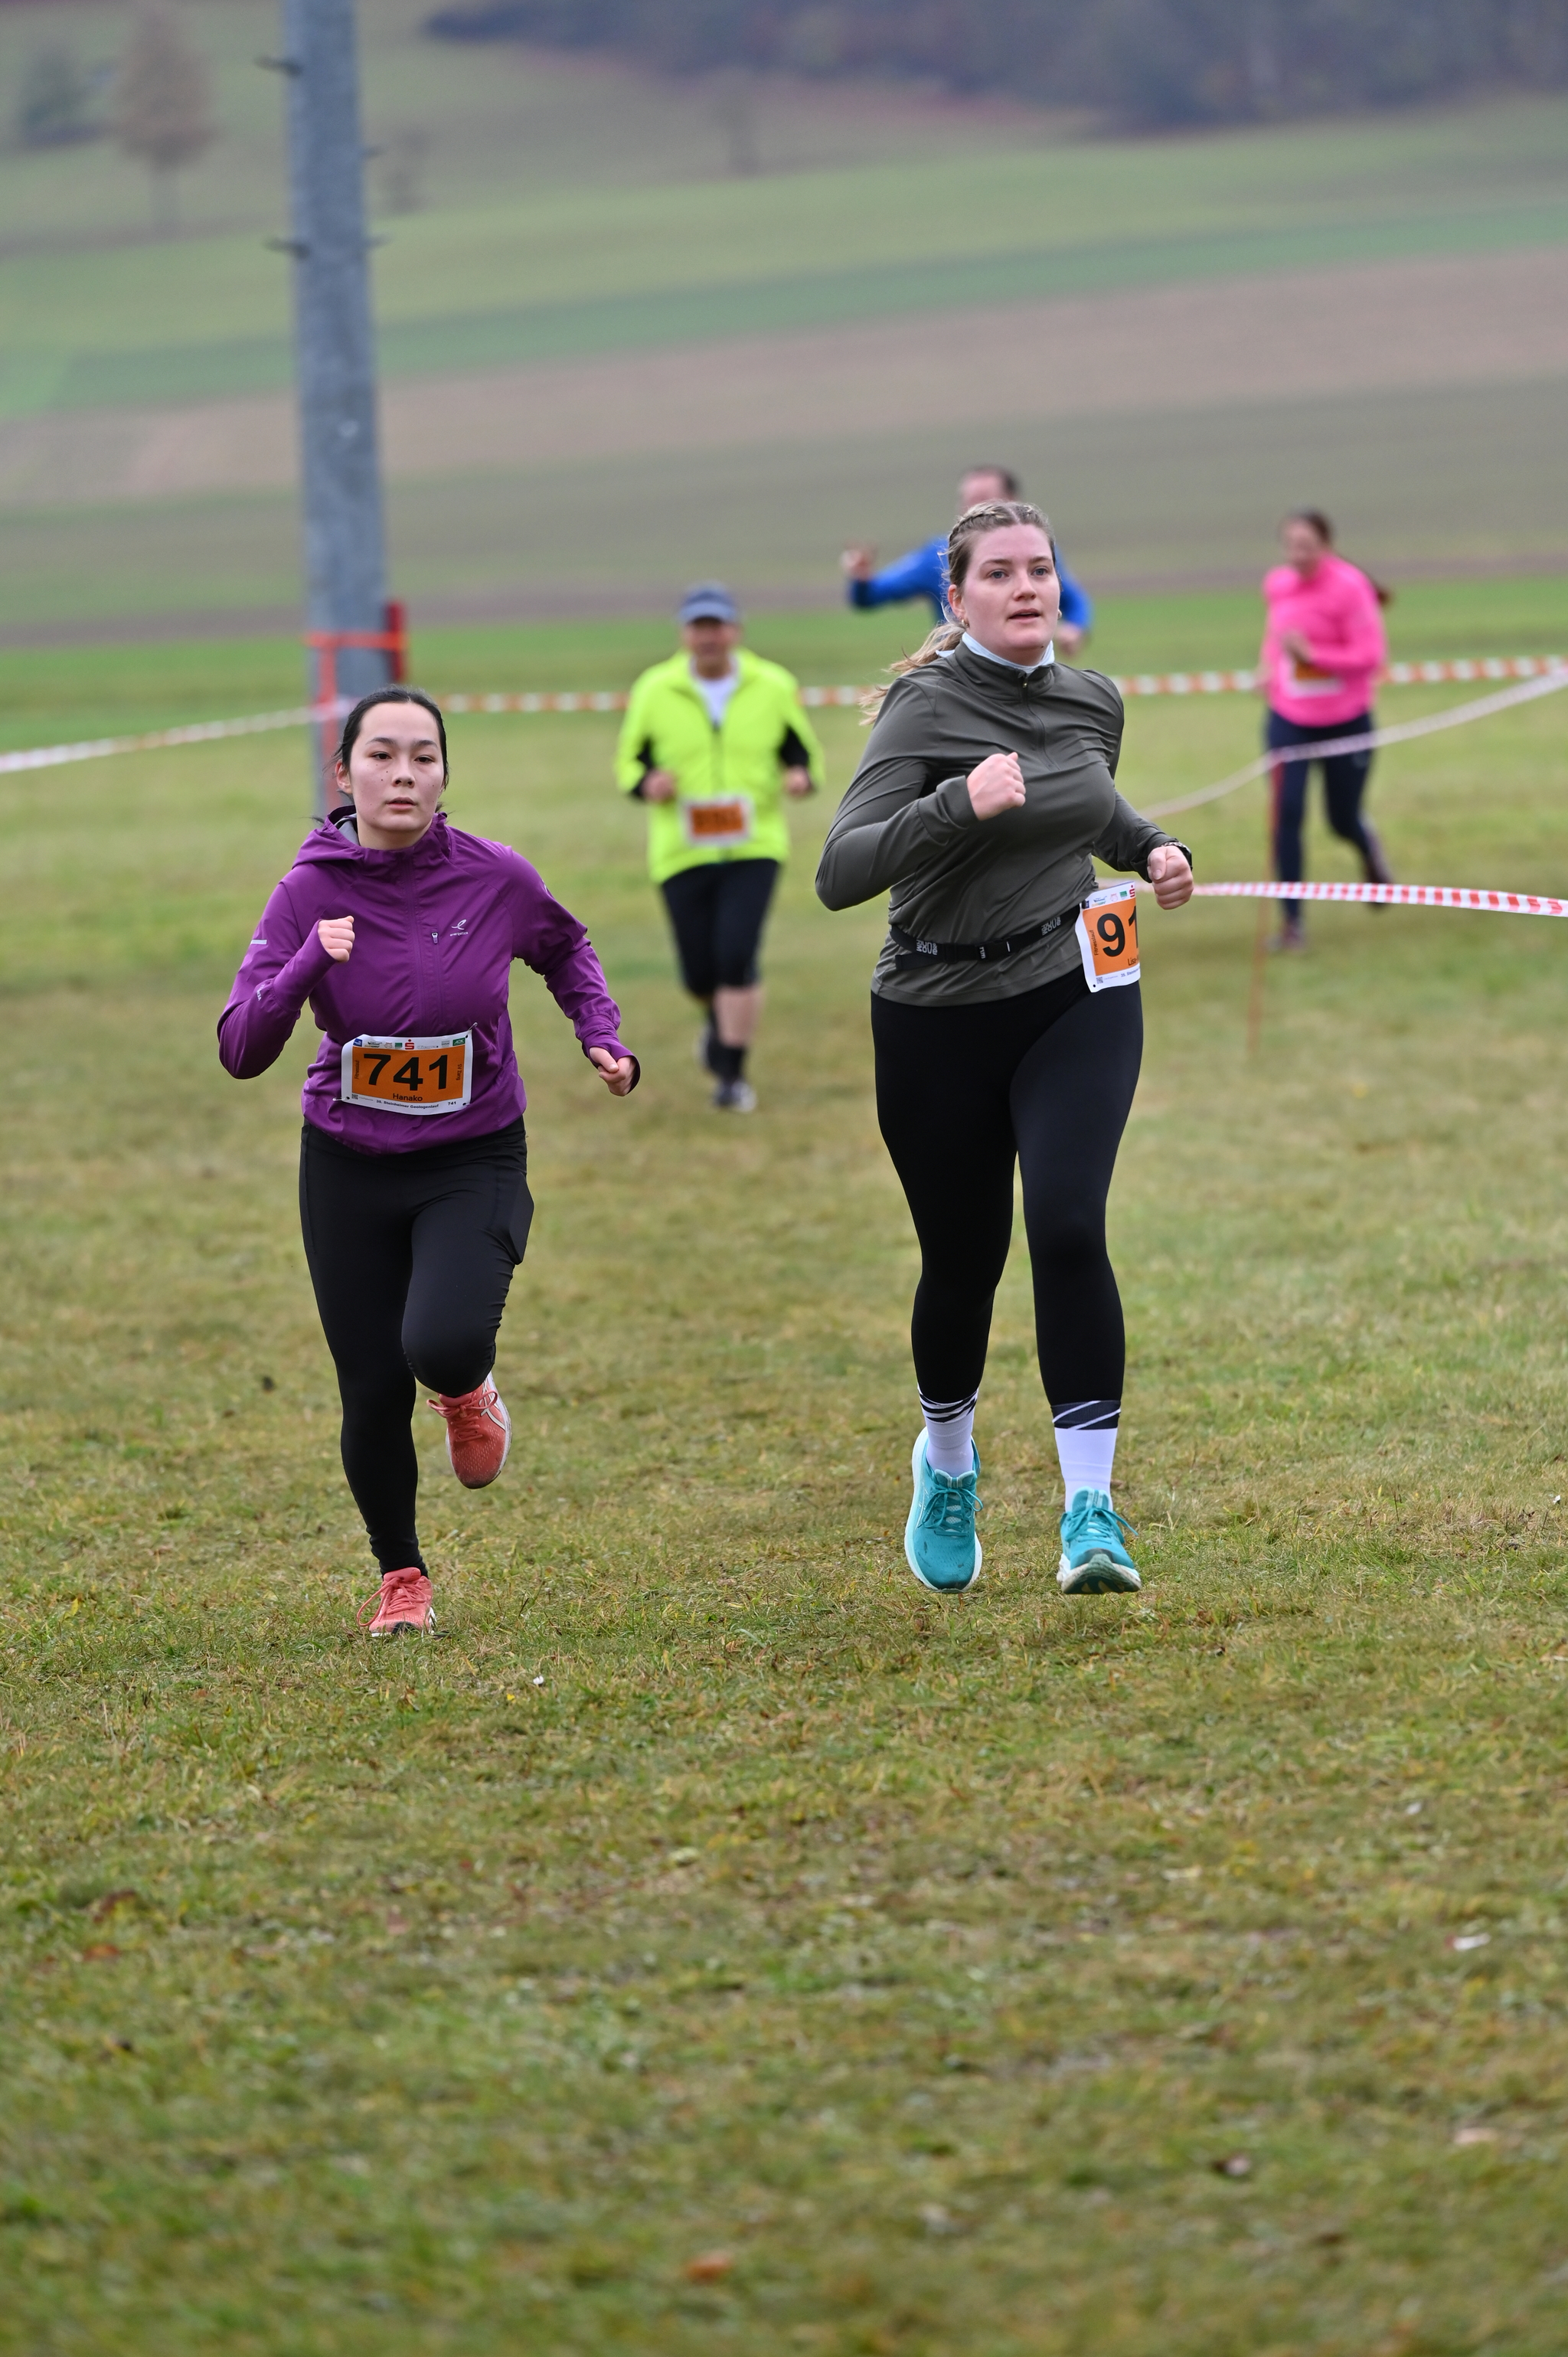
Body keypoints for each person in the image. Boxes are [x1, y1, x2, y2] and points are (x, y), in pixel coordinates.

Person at [816, 500, 1193, 1598]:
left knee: (1068, 1224)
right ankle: (947, 1463)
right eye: (1000, 573)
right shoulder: (922, 707)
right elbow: (841, 872)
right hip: (934, 1012)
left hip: (1076, 988)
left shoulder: (1092, 698)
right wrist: (955, 802)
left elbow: (1088, 808)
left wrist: (1151, 846)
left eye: (1040, 568)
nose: (1027, 586)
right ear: (956, 598)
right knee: (963, 1262)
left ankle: (1090, 1511)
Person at [218, 687, 637, 1637]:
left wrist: (600, 1033)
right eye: (380, 756)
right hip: (346, 1163)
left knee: (440, 1343)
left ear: (444, 774)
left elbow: (565, 946)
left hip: (471, 1152)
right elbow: (240, 1047)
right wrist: (306, 965)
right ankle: (401, 1577)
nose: (402, 774)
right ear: (343, 773)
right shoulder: (306, 892)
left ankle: (465, 1389)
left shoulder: (495, 877)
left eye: (422, 757)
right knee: (370, 1387)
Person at [615, 583, 825, 1112]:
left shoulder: (772, 684)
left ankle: (731, 1074)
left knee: (736, 955)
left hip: (755, 844)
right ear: (684, 633)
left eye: (717, 626)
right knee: (698, 972)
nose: (708, 637)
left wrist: (801, 777)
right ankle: (718, 1019)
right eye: (699, 627)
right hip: (681, 848)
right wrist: (647, 784)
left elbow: (802, 751)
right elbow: (628, 763)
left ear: (736, 630)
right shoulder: (655, 689)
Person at [1260, 508, 1393, 953]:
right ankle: (1292, 924)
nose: (1297, 556)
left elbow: (1371, 656)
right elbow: (1276, 637)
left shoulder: (1351, 587)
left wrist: (1315, 656)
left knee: (1341, 818)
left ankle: (1367, 848)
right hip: (1289, 720)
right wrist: (1268, 669)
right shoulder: (1278, 584)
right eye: (1290, 546)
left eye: (1307, 547)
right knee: (1287, 814)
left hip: (1346, 720)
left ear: (1326, 546)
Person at [841, 466, 1093, 656]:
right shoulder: (940, 555)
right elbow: (869, 597)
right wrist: (861, 579)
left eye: (982, 498)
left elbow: (1073, 599)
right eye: (966, 500)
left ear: (1012, 501)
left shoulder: (1035, 551)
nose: (971, 508)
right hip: (955, 677)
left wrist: (1076, 627)